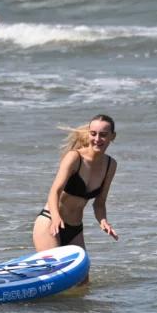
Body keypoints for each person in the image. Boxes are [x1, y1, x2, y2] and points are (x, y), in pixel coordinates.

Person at [32, 114, 119, 283]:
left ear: (112, 137)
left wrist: (103, 221)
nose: (97, 139)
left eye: (103, 134)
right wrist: (56, 218)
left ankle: (75, 311)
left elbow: (99, 204)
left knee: (83, 281)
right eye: (93, 133)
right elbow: (54, 192)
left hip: (75, 229)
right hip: (51, 223)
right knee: (56, 277)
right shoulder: (74, 157)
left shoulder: (110, 165)